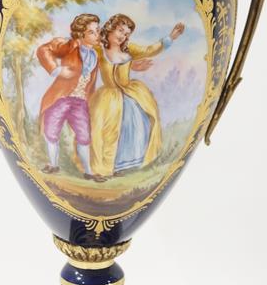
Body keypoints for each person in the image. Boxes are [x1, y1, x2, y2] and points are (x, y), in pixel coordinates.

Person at [89, 14, 185, 177]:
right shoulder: (99, 50)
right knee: (105, 129)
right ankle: (105, 168)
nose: (123, 36)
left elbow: (148, 50)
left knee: (136, 124)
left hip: (130, 94)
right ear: (110, 28)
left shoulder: (129, 49)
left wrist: (170, 38)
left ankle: (126, 165)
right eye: (120, 30)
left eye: (126, 34)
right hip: (108, 97)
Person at [36, 13, 102, 180]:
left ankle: (88, 172)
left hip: (80, 101)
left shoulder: (95, 55)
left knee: (84, 136)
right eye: (92, 32)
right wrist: (56, 70)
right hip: (60, 98)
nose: (97, 35)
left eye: (98, 30)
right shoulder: (69, 45)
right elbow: (44, 50)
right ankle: (53, 165)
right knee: (52, 131)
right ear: (81, 34)